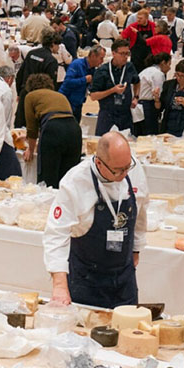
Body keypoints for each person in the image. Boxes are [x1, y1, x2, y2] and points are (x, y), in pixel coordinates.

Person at [43, 132, 147, 308]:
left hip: (124, 279)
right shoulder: (75, 182)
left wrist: (136, 248)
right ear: (99, 163)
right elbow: (56, 234)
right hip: (87, 280)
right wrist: (60, 286)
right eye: (118, 170)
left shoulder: (133, 169)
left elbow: (141, 209)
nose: (124, 174)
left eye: (127, 167)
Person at [22, 73, 82, 189]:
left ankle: (47, 205)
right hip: (74, 129)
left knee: (47, 179)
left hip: (52, 129)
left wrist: (30, 149)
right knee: (68, 178)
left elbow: (32, 128)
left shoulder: (30, 96)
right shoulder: (60, 95)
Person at [90, 40, 138, 135]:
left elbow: (137, 81)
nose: (125, 57)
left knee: (127, 144)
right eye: (122, 54)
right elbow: (93, 96)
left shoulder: (129, 67)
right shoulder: (102, 71)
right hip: (107, 114)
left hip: (125, 114)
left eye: (127, 53)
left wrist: (136, 97)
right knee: (104, 144)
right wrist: (113, 90)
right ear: (113, 53)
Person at [59, 44, 105, 118]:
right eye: (101, 58)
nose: (102, 61)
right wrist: (84, 80)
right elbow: (67, 82)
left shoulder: (94, 70)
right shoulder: (76, 64)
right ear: (93, 56)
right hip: (66, 102)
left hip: (78, 103)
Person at [135, 52, 171, 137]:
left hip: (139, 104)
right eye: (169, 64)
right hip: (148, 106)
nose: (169, 68)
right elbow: (158, 93)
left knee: (140, 136)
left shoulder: (146, 70)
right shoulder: (158, 73)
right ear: (163, 63)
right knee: (150, 136)